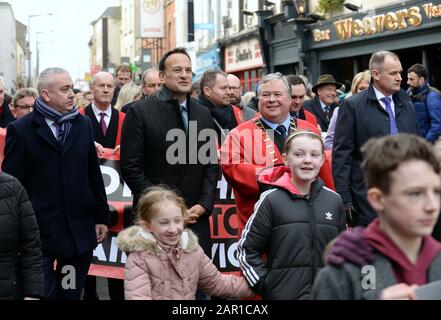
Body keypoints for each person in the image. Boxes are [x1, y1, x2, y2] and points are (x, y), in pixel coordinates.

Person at [2, 67, 110, 300]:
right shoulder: (20, 131)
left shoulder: (82, 125)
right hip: (39, 238)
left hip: (77, 236)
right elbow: (11, 187)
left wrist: (101, 216)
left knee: (69, 294)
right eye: (65, 89)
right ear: (46, 94)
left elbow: (93, 174)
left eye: (72, 87)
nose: (72, 94)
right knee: (43, 294)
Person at [312, 134, 441, 300]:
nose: (432, 206)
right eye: (415, 194)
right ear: (378, 199)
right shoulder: (344, 271)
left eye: (437, 192)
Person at [120, 47, 219, 261]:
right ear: (163, 76)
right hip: (155, 221)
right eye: (177, 70)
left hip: (195, 221)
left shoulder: (203, 113)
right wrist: (164, 208)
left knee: (197, 290)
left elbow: (211, 164)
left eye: (188, 70)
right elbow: (131, 167)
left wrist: (204, 204)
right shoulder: (140, 112)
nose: (184, 75)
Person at [221, 73, 335, 236]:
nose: (271, 99)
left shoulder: (309, 129)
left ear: (290, 99)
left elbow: (325, 177)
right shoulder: (238, 134)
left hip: (308, 229)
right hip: (262, 233)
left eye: (277, 94)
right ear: (258, 99)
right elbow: (232, 168)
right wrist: (280, 176)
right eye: (265, 95)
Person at [238, 131, 346, 299]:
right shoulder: (271, 200)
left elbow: (345, 252)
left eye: (314, 154)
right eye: (298, 154)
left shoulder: (334, 201)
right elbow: (246, 250)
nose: (307, 160)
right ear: (285, 158)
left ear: (322, 160)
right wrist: (267, 285)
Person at [116, 186, 253, 300]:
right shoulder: (138, 259)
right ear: (147, 226)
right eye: (164, 222)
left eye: (177, 220)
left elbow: (217, 283)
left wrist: (262, 285)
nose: (173, 229)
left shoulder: (193, 249)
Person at [333, 51, 419, 227]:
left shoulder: (407, 102)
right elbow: (342, 154)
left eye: (400, 72)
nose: (399, 78)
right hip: (367, 197)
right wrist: (344, 197)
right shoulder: (352, 105)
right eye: (393, 73)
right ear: (375, 74)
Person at [82, 71, 126, 300]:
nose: (107, 90)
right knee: (90, 258)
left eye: (110, 86)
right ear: (92, 88)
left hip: (119, 202)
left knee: (116, 255)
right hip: (89, 199)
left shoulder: (124, 119)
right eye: (101, 86)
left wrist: (125, 149)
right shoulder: (79, 117)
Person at [0, 172, 43, 300]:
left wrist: (33, 293)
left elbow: (31, 246)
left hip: (8, 291)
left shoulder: (13, 189)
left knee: (69, 284)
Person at [324, 71, 371, 150]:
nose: (364, 92)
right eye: (361, 88)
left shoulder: (382, 110)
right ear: (355, 90)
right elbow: (328, 143)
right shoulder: (340, 111)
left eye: (368, 88)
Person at [199, 70, 242, 144]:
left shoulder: (236, 112)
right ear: (207, 91)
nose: (229, 92)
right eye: (223, 88)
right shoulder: (195, 114)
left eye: (229, 88)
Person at [407, 63, 441, 143]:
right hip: (412, 144)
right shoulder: (408, 93)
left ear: (421, 80)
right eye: (408, 79)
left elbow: (438, 125)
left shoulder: (432, 96)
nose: (408, 82)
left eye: (411, 79)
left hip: (424, 147)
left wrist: (425, 143)